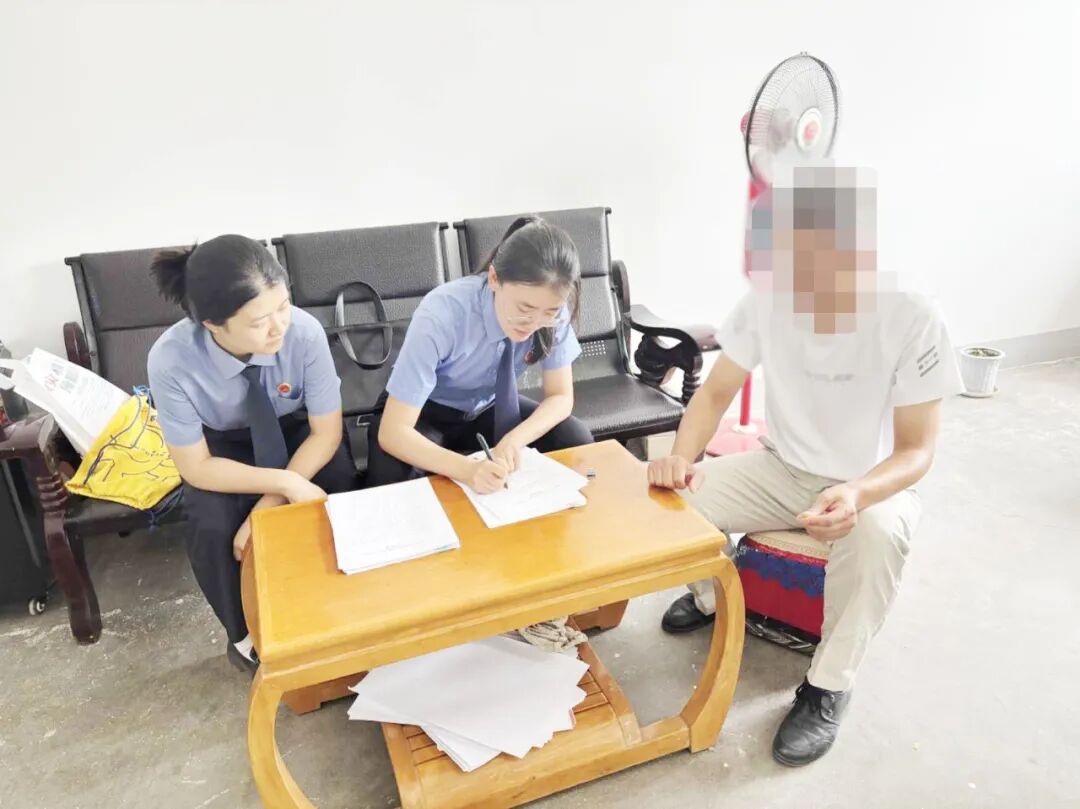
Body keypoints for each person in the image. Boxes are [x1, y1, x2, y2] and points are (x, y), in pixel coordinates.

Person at [648, 165, 964, 766]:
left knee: (875, 538)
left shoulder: (912, 315)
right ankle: (715, 599)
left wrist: (858, 493)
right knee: (674, 502)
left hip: (872, 484)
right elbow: (713, 396)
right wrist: (680, 461)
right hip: (781, 468)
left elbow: (916, 450)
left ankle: (828, 687)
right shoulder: (765, 304)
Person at [147, 235, 356, 674]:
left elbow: (325, 433)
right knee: (211, 523)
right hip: (222, 448)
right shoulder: (170, 360)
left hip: (296, 434)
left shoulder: (304, 333)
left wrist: (266, 508)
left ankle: (344, 611)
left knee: (338, 483)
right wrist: (284, 484)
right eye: (260, 321)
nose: (279, 327)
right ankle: (248, 637)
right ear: (213, 324)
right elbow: (195, 465)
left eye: (284, 306)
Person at [368, 216, 593, 491]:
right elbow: (394, 432)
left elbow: (560, 397)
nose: (534, 323)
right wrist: (468, 470)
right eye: (524, 309)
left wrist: (514, 440)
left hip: (487, 407)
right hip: (423, 411)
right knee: (392, 475)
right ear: (494, 278)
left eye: (549, 312)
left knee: (574, 436)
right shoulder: (442, 313)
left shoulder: (552, 312)